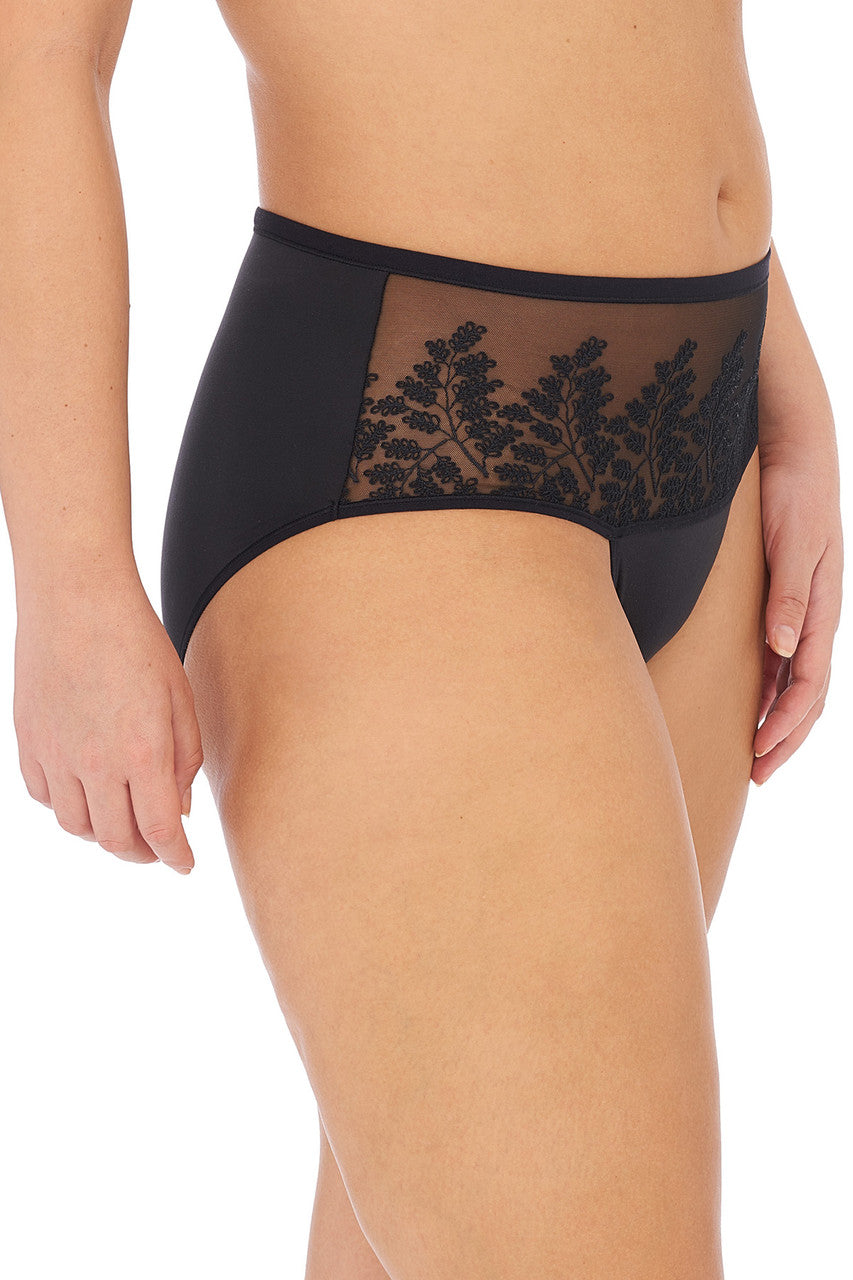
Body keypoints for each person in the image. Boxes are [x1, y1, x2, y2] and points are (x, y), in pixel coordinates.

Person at [0, 1, 843, 1276]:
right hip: (411, 447)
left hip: (708, 429)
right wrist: (70, 583)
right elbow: (39, 58)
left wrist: (784, 380)